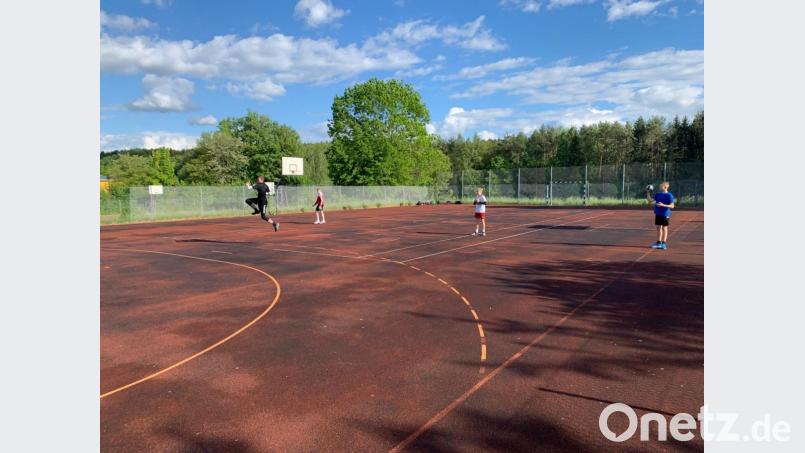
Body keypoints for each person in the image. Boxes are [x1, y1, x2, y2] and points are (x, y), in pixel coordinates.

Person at [647, 181, 675, 249]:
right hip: (658, 213)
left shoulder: (669, 195)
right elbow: (650, 200)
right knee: (658, 227)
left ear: (665, 187)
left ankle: (664, 243)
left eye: (661, 186)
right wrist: (648, 192)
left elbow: (672, 206)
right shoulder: (658, 194)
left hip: (665, 214)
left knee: (664, 228)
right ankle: (659, 242)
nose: (660, 186)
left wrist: (663, 205)